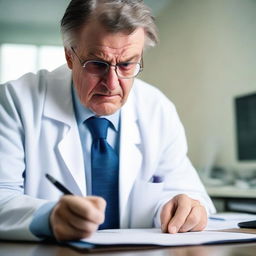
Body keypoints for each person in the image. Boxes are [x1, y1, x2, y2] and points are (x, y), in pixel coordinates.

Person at [0, 0, 215, 241]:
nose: (112, 84)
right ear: (70, 56)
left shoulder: (157, 109)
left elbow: (189, 194)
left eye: (126, 64)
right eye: (97, 64)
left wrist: (181, 209)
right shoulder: (15, 101)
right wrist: (48, 217)